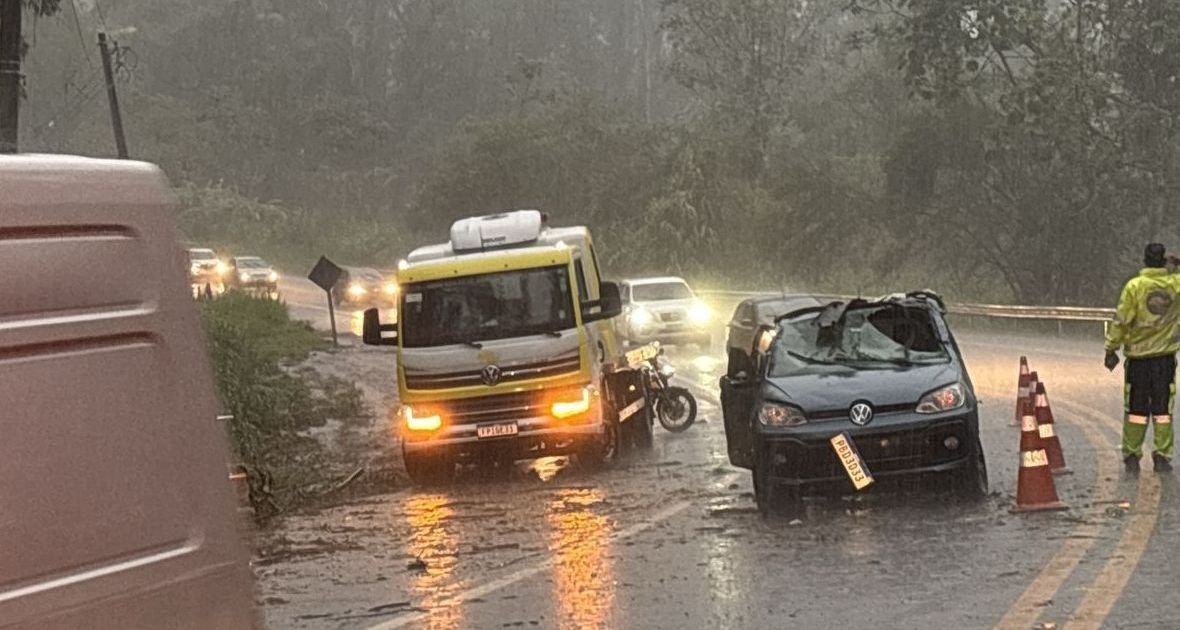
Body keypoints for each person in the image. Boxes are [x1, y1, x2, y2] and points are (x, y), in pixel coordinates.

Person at [1104, 243, 1180, 473]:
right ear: (1164, 260)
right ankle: (1162, 454)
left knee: (1136, 408)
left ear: (1145, 260)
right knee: (1163, 410)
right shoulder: (1175, 285)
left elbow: (1122, 319)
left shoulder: (1134, 287)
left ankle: (1132, 454)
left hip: (1138, 360)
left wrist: (1111, 348)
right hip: (1164, 359)